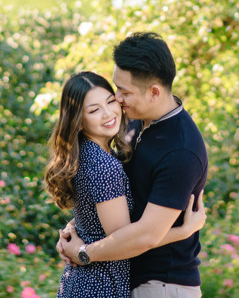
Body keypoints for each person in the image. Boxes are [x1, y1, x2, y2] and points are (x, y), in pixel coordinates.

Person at [57, 33, 209, 298]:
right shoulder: (136, 124)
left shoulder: (181, 150)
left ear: (153, 92)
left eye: (124, 92)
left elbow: (146, 235)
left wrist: (83, 253)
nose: (117, 99)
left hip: (162, 284)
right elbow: (108, 200)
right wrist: (75, 230)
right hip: (123, 278)